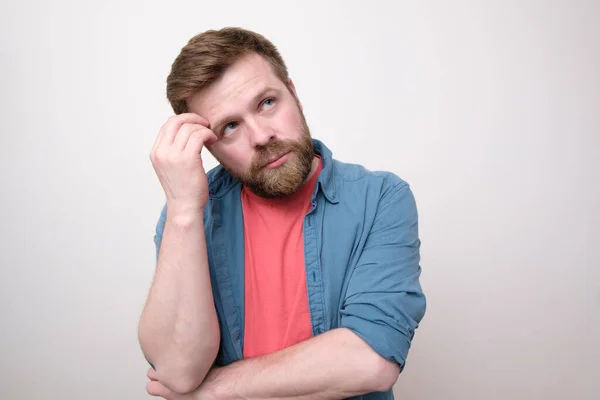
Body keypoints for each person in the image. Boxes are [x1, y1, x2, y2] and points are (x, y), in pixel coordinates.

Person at [138, 27, 426, 400]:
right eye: (230, 127)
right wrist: (182, 211)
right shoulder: (189, 215)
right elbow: (177, 371)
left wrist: (213, 391)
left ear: (294, 93)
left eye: (267, 103)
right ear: (208, 148)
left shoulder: (380, 198)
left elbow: (370, 361)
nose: (260, 136)